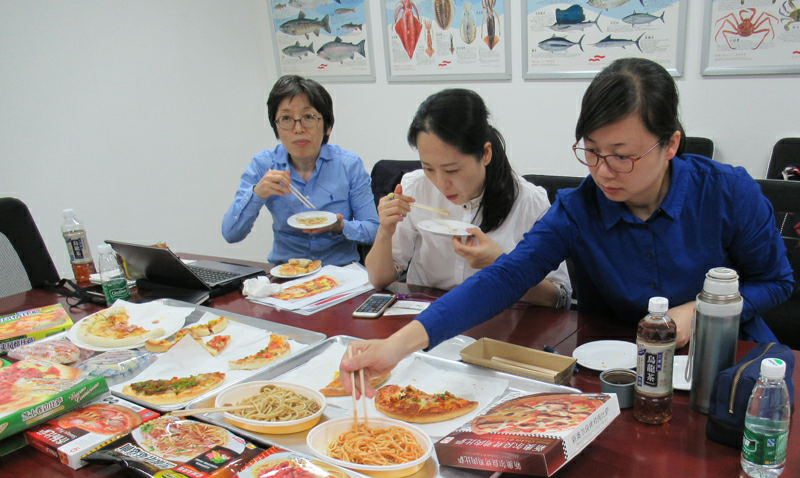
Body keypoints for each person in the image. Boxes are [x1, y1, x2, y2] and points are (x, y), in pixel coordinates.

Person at [340, 58, 794, 397]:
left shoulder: (728, 192)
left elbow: (776, 282)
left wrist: (701, 310)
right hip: (617, 371)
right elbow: (504, 277)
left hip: (726, 366)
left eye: (622, 156)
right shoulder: (579, 208)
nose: (603, 171)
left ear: (670, 143)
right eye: (591, 152)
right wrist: (397, 346)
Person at [366, 88, 571, 307]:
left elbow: (560, 296)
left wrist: (502, 265)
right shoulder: (415, 188)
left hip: (498, 317)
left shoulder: (528, 202)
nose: (440, 183)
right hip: (427, 313)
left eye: (452, 170)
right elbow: (379, 280)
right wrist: (385, 231)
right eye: (428, 168)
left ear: (485, 154)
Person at [222, 75, 379, 266]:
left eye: (309, 117)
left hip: (340, 272)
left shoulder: (349, 165)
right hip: (288, 273)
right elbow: (231, 234)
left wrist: (341, 226)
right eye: (286, 118)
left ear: (328, 126)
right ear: (276, 128)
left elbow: (374, 230)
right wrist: (257, 193)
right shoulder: (264, 165)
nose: (298, 128)